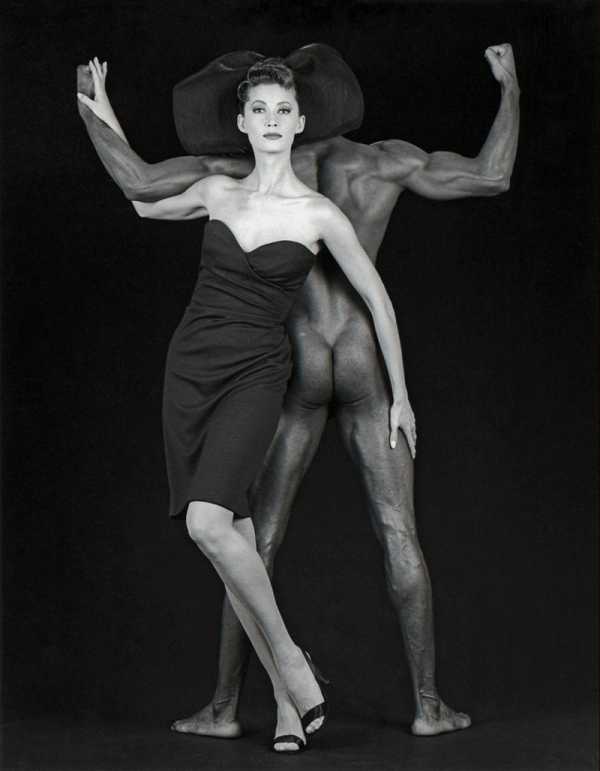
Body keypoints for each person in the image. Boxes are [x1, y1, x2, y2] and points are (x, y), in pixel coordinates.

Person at [76, 41, 519, 738]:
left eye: (283, 107)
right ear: (251, 115)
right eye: (262, 109)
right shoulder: (379, 162)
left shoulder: (252, 179)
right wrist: (510, 88)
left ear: (302, 111)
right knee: (367, 530)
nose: (273, 118)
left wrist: (94, 106)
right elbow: (491, 176)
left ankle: (229, 705)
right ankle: (426, 704)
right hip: (343, 363)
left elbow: (137, 177)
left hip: (292, 361)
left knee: (255, 537)